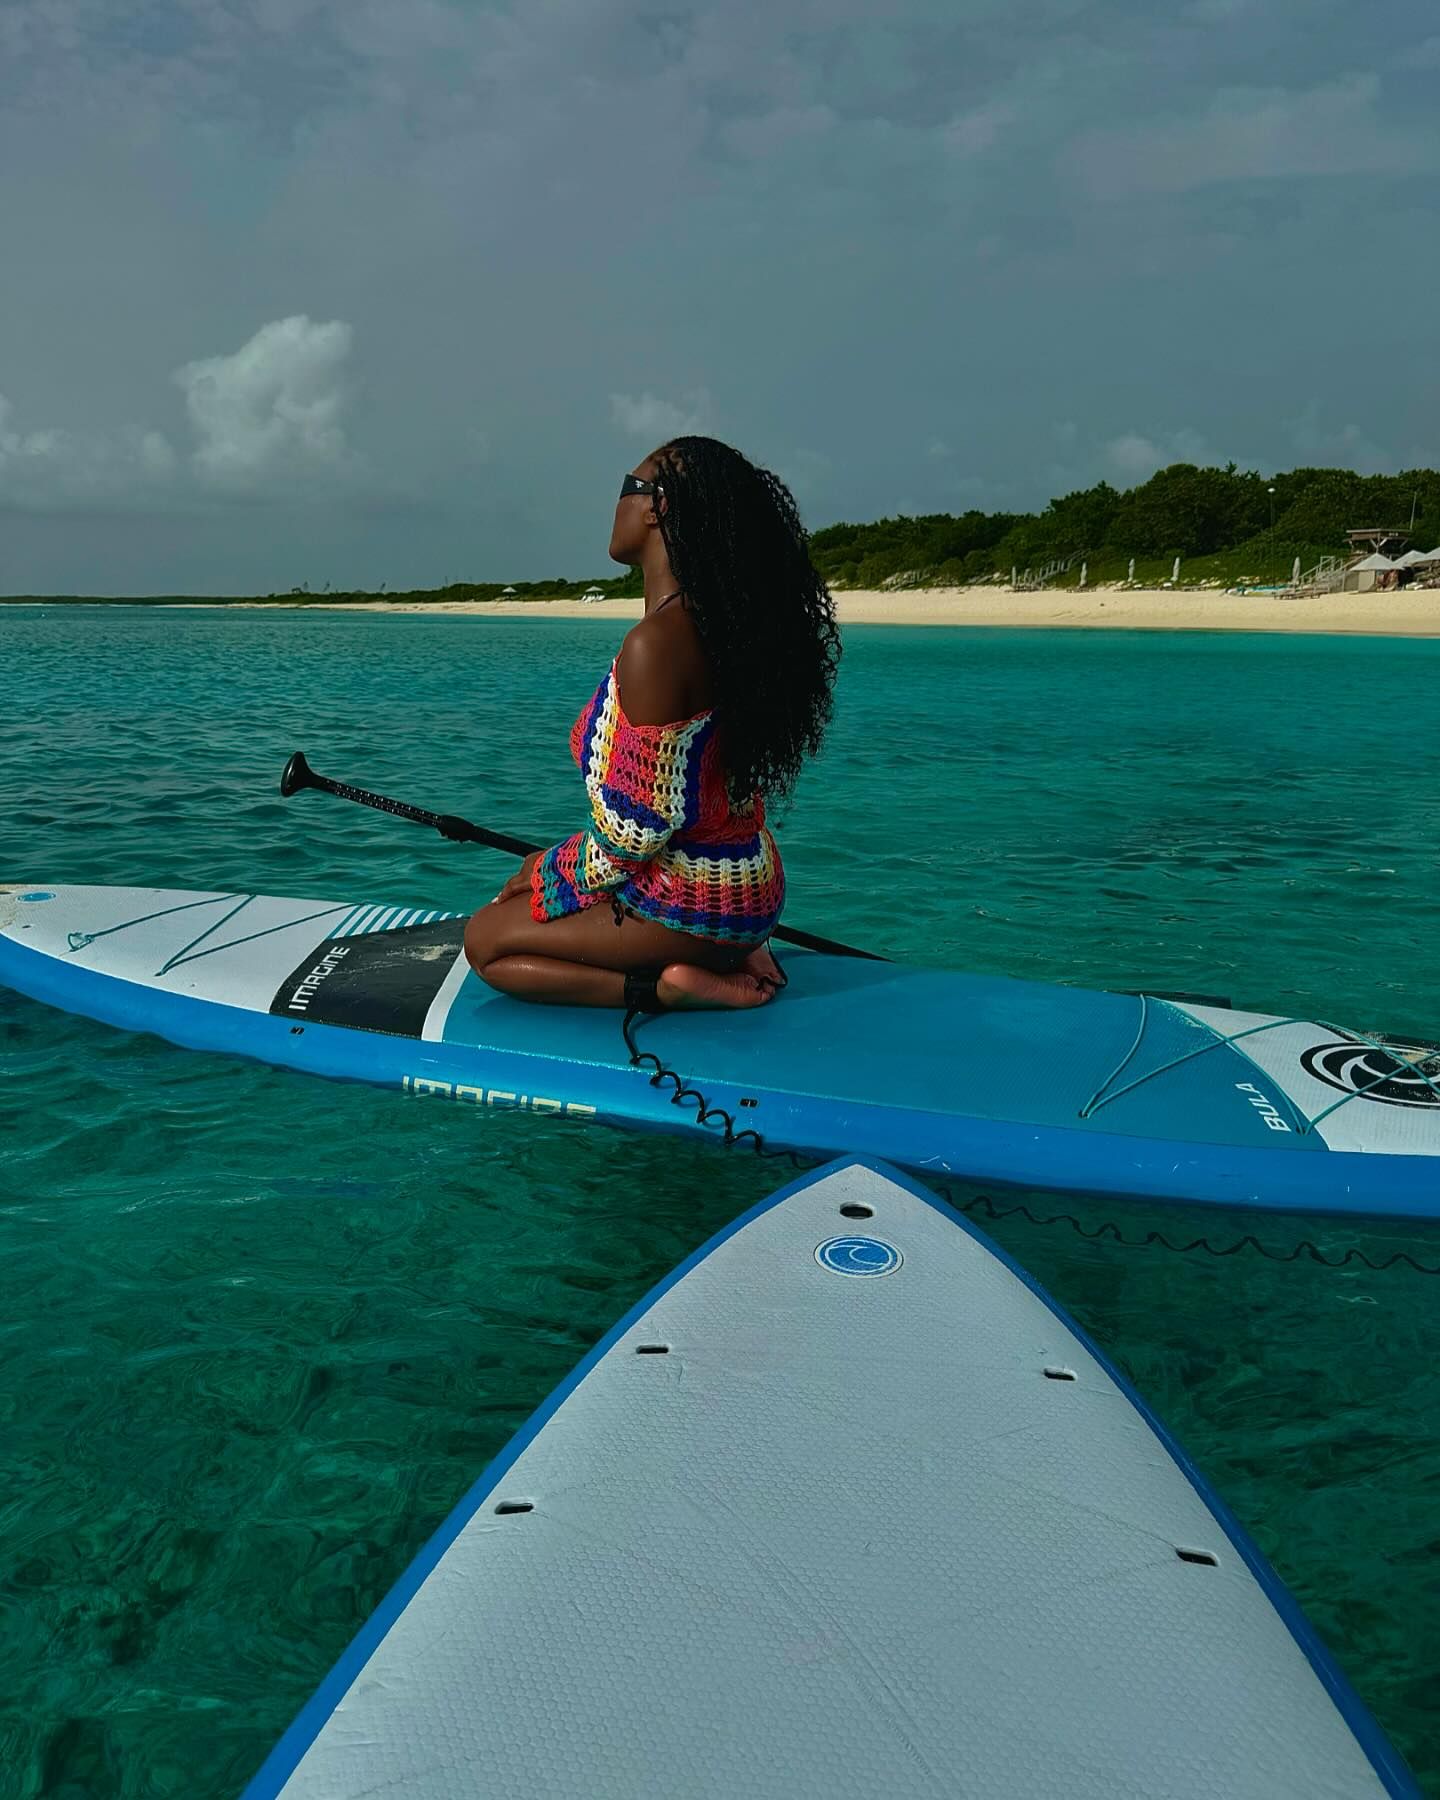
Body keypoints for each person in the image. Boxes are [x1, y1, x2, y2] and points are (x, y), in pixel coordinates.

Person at [463, 436, 839, 1012]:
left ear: (657, 506)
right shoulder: (727, 630)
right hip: (750, 888)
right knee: (532, 894)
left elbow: (634, 833)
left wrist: (553, 869)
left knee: (485, 941)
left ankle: (666, 988)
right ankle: (726, 952)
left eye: (626, 488)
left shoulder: (656, 644)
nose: (616, 504)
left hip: (691, 903)